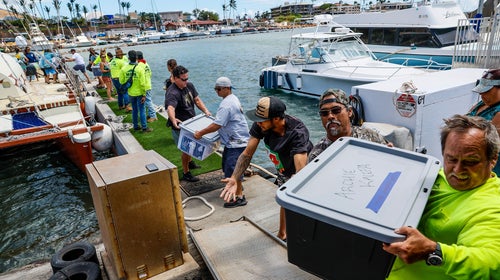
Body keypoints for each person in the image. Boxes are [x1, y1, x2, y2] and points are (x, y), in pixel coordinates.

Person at [383, 114, 500, 279]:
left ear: (493, 159)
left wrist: (433, 251)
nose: (457, 170)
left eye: (470, 162)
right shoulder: (435, 174)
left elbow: (491, 264)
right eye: (451, 159)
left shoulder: (491, 207)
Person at [221, 96, 313, 241]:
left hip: (301, 171)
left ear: (276, 119)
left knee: (297, 203)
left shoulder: (297, 132)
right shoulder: (261, 125)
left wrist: (296, 184)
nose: (258, 123)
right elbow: (247, 153)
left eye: (261, 120)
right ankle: (282, 234)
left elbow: (300, 171)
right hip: (283, 167)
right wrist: (234, 178)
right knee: (283, 199)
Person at [193, 77, 250, 207]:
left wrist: (200, 133)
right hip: (235, 141)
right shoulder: (231, 99)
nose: (216, 91)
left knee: (233, 171)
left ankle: (239, 197)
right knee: (229, 167)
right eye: (215, 89)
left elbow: (217, 125)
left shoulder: (227, 104)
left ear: (226, 88)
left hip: (236, 142)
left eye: (218, 89)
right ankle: (238, 189)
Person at [308, 88, 390, 162]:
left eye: (336, 110)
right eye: (324, 113)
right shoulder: (317, 156)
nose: (330, 116)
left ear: (349, 112)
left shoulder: (371, 136)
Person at [165, 65, 211, 182]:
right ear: (175, 78)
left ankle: (190, 163)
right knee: (186, 149)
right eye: (183, 79)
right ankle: (186, 173)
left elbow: (197, 100)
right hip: (180, 126)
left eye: (187, 78)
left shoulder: (189, 86)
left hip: (191, 122)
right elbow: (170, 108)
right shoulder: (172, 92)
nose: (186, 81)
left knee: (192, 145)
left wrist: (206, 111)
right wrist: (173, 119)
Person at [467, 68, 500, 174]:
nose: (482, 95)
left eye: (487, 91)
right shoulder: (483, 103)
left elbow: (487, 141)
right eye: (481, 92)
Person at [119, 50, 151, 133]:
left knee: (134, 110)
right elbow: (142, 83)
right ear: (136, 58)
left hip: (130, 93)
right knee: (142, 110)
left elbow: (121, 81)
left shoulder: (124, 69)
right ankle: (144, 127)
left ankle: (136, 126)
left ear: (129, 58)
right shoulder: (140, 68)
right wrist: (144, 94)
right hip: (140, 93)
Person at [137, 51, 157, 122]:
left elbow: (139, 77)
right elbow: (150, 74)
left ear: (137, 58)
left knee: (148, 101)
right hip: (148, 84)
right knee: (147, 100)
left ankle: (153, 116)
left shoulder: (139, 65)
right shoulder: (146, 64)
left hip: (145, 86)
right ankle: (150, 114)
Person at [110, 48, 131, 112]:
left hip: (114, 79)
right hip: (119, 79)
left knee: (119, 93)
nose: (122, 56)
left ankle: (120, 106)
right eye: (121, 55)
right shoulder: (121, 62)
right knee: (125, 92)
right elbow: (126, 70)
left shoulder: (113, 61)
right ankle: (127, 106)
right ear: (120, 55)